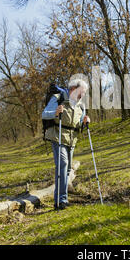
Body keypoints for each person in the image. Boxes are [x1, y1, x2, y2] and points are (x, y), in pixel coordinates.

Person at [42, 79, 90, 210]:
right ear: (73, 89)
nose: (83, 95)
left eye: (84, 93)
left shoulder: (81, 105)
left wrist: (85, 121)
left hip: (71, 139)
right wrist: (55, 113)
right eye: (82, 92)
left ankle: (64, 197)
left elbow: (78, 123)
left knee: (68, 169)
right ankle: (61, 200)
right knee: (62, 164)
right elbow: (44, 114)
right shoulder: (58, 98)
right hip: (57, 136)